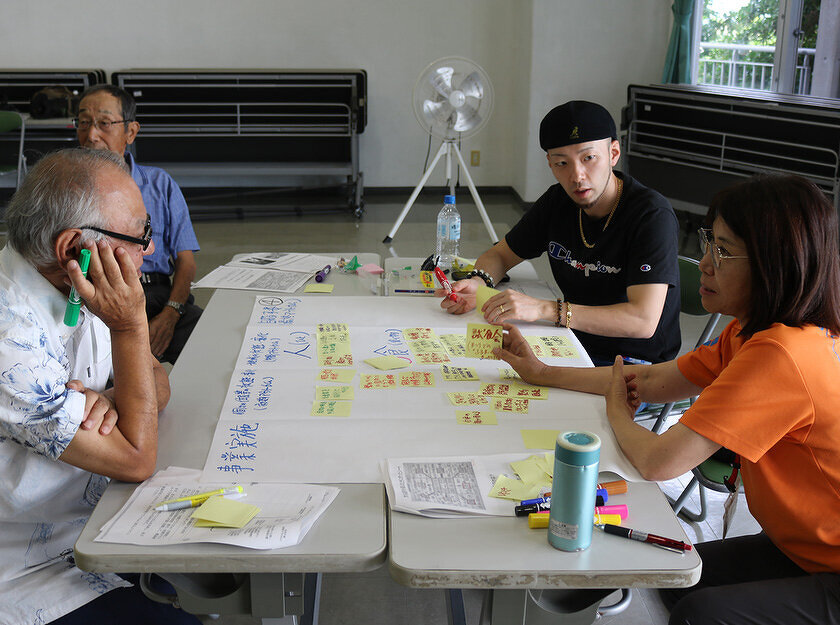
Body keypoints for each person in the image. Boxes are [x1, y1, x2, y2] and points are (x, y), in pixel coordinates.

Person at [494, 173, 840, 625]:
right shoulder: (755, 331)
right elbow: (655, 379)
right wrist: (542, 373)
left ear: (776, 263)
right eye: (708, 243)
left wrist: (619, 415)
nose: (705, 264)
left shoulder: (780, 354)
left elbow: (659, 462)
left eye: (722, 250)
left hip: (827, 562)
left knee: (700, 611)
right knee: (675, 579)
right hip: (801, 546)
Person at [0, 149, 199, 624]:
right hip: (27, 569)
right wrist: (131, 328)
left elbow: (159, 380)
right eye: (139, 235)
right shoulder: (10, 335)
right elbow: (136, 458)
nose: (149, 250)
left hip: (91, 526)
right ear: (73, 248)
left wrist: (110, 400)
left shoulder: (75, 284)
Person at [439, 100, 680, 365]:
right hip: (571, 341)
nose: (577, 176)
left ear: (613, 153)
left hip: (634, 362)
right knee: (468, 366)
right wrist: (479, 282)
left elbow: (642, 321)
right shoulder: (558, 201)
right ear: (550, 164)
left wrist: (545, 309)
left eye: (589, 158)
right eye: (562, 163)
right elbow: (501, 255)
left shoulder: (651, 215)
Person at [76, 84, 202, 364]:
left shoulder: (160, 184)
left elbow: (186, 262)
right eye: (84, 123)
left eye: (104, 123)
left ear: (130, 132)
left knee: (210, 343)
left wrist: (171, 314)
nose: (91, 135)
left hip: (157, 298)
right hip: (97, 300)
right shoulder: (70, 189)